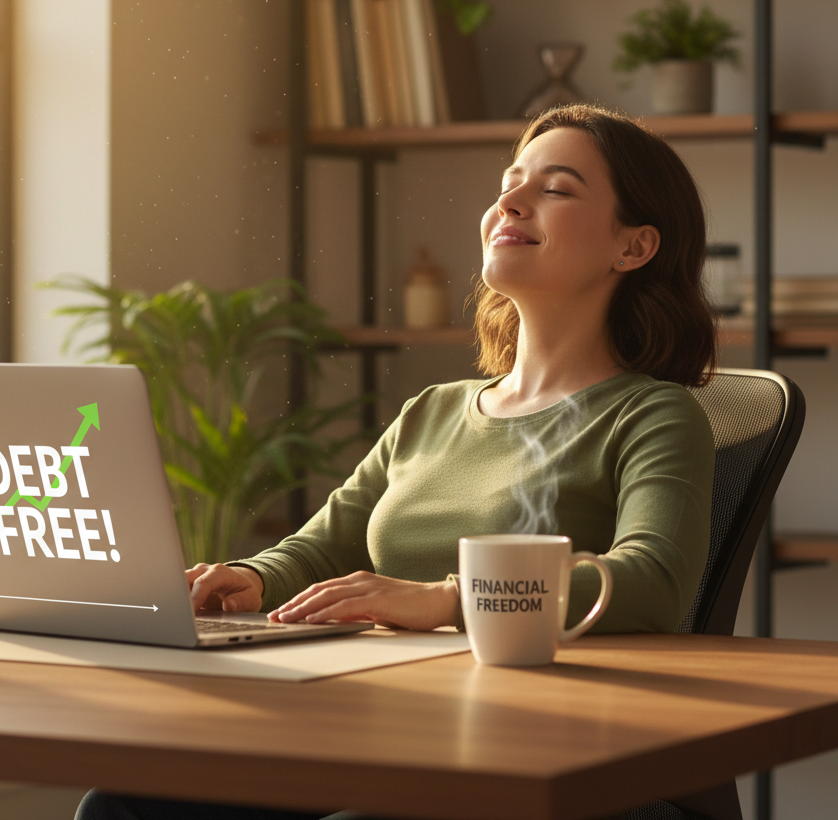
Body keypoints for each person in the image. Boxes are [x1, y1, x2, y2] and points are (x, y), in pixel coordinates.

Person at [76, 104, 717, 820]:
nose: (510, 201)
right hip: (382, 726)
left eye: (556, 189)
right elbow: (324, 547)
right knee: (127, 805)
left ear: (633, 248)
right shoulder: (434, 411)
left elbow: (654, 582)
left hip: (530, 755)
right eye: (510, 183)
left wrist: (447, 599)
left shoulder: (652, 414)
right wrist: (249, 581)